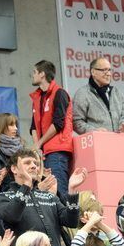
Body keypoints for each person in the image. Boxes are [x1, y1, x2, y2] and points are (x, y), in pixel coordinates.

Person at [0, 150, 84, 246]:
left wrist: (72, 191)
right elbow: (12, 216)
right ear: (14, 169)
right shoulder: (4, 197)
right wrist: (26, 185)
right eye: (27, 163)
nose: (33, 166)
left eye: (36, 164)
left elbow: (71, 222)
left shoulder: (49, 196)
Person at [29, 60, 74, 197]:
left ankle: (65, 218)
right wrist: (37, 148)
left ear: (42, 74)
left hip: (57, 151)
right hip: (43, 154)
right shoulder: (37, 98)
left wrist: (39, 143)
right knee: (47, 192)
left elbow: (58, 124)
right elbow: (33, 127)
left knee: (59, 191)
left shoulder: (59, 93)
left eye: (35, 72)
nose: (32, 75)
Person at [72, 56, 124, 134]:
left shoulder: (117, 92)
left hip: (119, 141)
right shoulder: (83, 93)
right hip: (97, 143)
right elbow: (76, 122)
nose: (108, 74)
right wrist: (94, 131)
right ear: (93, 72)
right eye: (104, 70)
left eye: (109, 70)